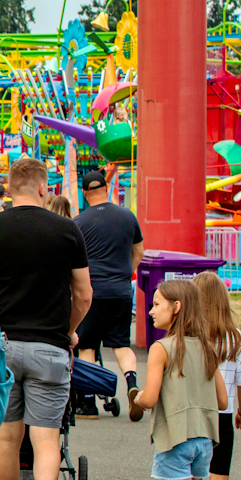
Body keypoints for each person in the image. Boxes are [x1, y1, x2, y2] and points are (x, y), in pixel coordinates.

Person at [0, 157, 91, 480]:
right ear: (43, 187)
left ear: (11, 186)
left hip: (1, 348)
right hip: (49, 346)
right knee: (47, 439)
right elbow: (84, 294)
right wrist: (69, 329)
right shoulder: (66, 230)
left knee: (6, 438)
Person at [133, 280, 227, 480]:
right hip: (204, 439)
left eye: (157, 305)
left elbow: (149, 398)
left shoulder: (161, 348)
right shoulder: (207, 347)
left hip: (175, 438)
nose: (151, 312)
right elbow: (222, 401)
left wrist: (137, 397)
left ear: (176, 307)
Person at [72, 170, 145, 420]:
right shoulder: (127, 216)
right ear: (106, 188)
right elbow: (139, 251)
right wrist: (126, 274)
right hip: (121, 290)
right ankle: (132, 383)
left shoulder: (79, 223)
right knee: (121, 345)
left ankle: (88, 403)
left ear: (85, 193)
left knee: (87, 347)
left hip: (93, 292)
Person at [193, 272, 241, 480]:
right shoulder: (235, 338)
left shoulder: (190, 338)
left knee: (191, 478)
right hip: (223, 416)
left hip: (195, 415)